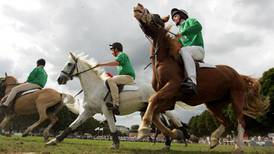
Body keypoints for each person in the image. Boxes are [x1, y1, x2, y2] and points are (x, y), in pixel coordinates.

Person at [171, 8, 205, 95]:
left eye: (175, 16)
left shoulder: (190, 21)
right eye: (173, 18)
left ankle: (192, 81)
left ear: (182, 15)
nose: (174, 19)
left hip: (198, 50)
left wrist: (183, 33)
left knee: (183, 50)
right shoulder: (179, 31)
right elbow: (177, 46)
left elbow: (198, 27)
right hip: (188, 52)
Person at [95, 42, 135, 115]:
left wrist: (101, 64)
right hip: (125, 77)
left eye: (112, 49)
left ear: (116, 49)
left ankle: (116, 104)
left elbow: (116, 63)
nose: (111, 52)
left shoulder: (121, 54)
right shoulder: (120, 57)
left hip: (128, 77)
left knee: (110, 80)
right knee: (110, 80)